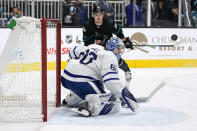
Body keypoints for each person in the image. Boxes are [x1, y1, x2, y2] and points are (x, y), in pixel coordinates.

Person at [61, 37, 139, 116]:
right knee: (114, 104)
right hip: (81, 81)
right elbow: (110, 81)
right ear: (112, 47)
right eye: (118, 48)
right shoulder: (110, 56)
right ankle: (90, 106)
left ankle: (70, 100)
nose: (120, 51)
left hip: (65, 77)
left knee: (93, 87)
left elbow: (73, 51)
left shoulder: (94, 46)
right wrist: (122, 95)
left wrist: (73, 66)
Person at [83, 5, 133, 83]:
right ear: (93, 15)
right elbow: (85, 41)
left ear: (103, 15)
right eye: (96, 15)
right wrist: (95, 40)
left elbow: (119, 32)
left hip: (107, 44)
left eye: (100, 14)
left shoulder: (109, 22)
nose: (98, 17)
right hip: (93, 47)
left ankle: (127, 71)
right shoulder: (88, 24)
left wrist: (125, 41)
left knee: (114, 57)